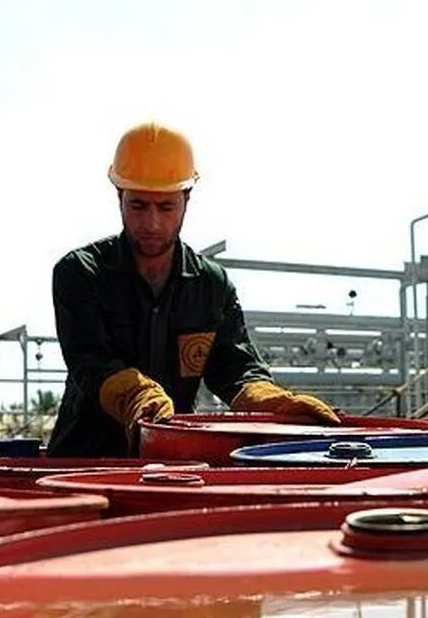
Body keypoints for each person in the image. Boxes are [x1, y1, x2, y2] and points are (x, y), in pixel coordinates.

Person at [47, 121, 340, 458]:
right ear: (119, 197)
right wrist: (136, 396)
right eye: (138, 206)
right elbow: (91, 362)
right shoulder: (81, 273)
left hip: (172, 464)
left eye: (166, 207)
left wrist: (267, 400)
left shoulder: (211, 286)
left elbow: (235, 368)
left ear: (186, 200)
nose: (152, 223)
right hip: (83, 460)